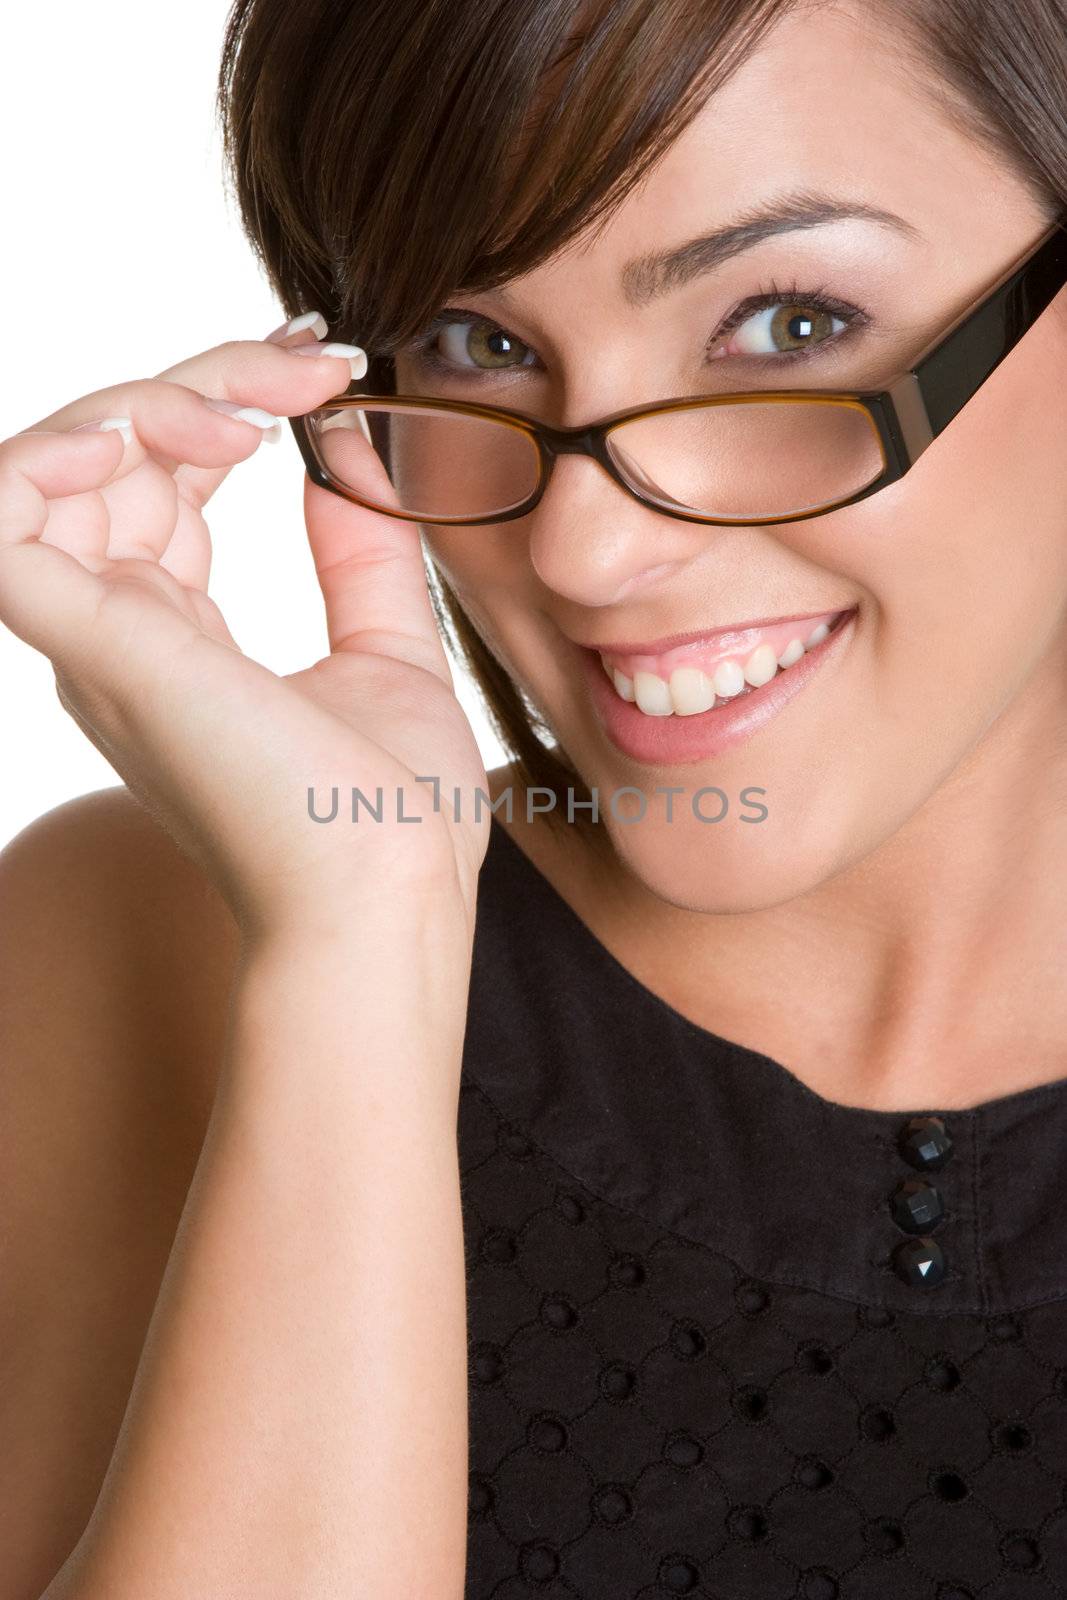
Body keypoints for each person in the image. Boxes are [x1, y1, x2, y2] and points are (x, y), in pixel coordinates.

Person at [2, 0, 1066, 1594]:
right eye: (477, 347)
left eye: (786, 322)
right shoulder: (149, 945)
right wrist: (362, 951)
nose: (584, 550)